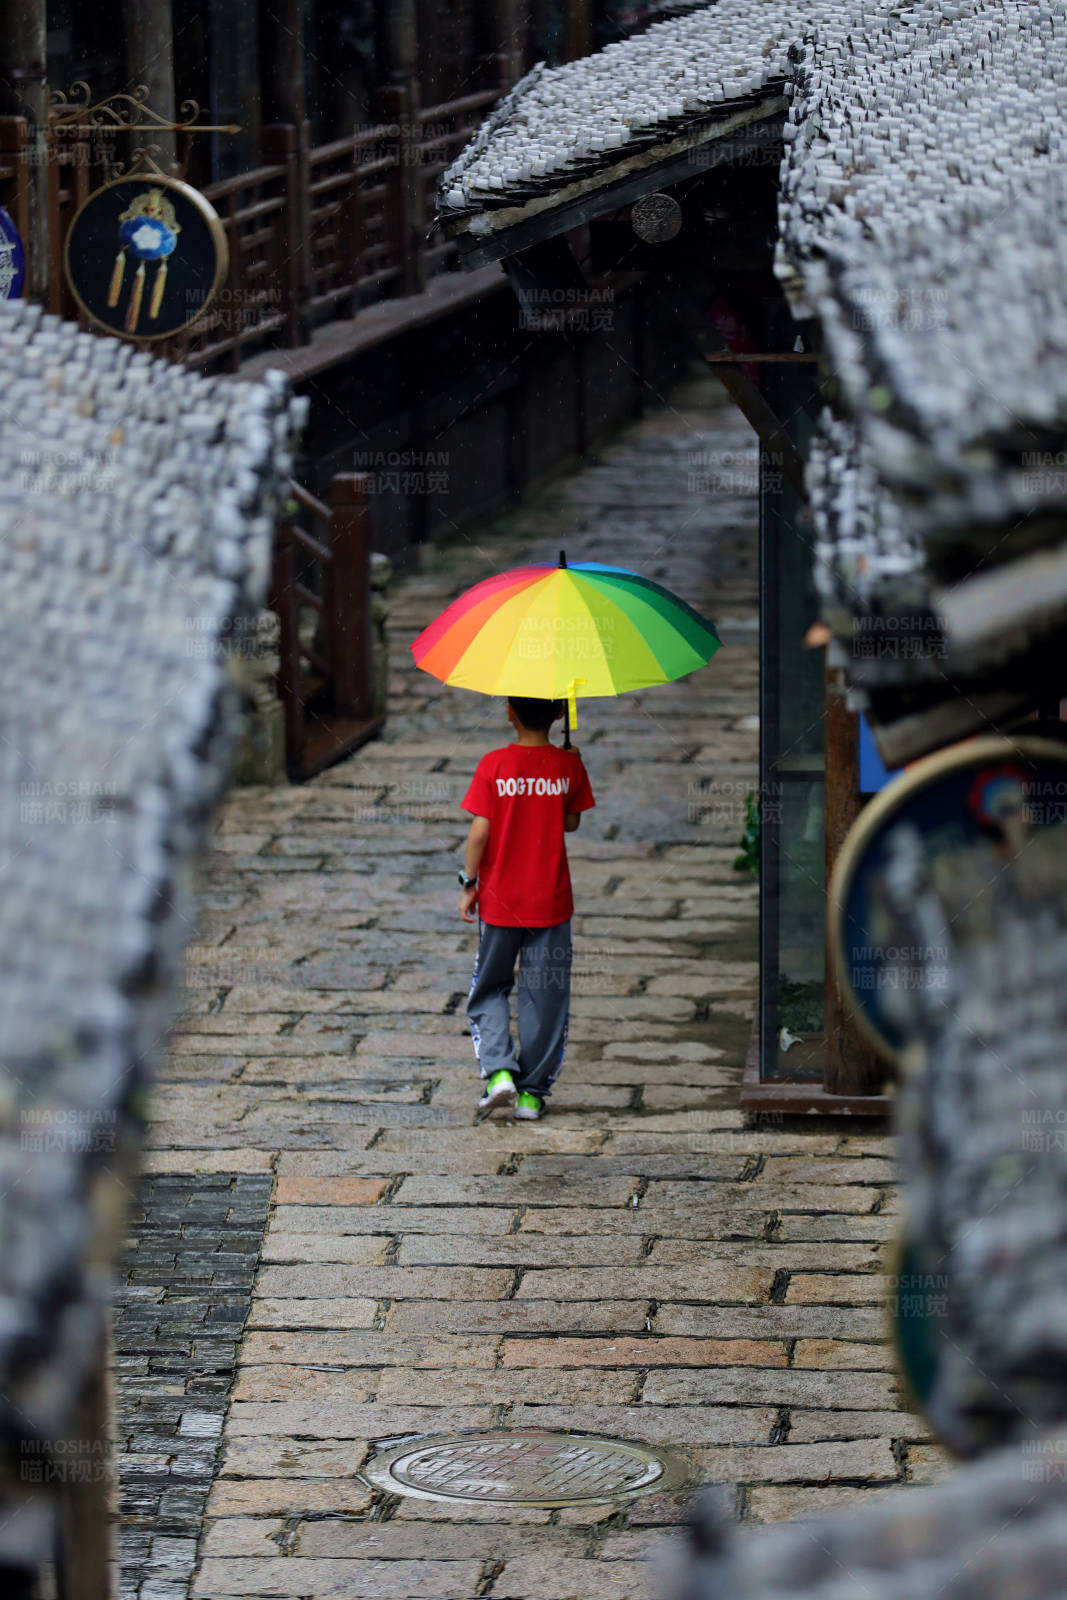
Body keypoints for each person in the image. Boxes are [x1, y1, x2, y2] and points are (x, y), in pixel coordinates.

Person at [458, 696, 595, 1120]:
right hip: (550, 902)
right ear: (559, 714)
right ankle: (532, 1094)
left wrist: (469, 882)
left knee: (492, 986)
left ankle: (499, 1072)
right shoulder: (568, 765)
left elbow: (480, 831)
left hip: (500, 903)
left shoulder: (493, 765)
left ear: (509, 712)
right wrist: (572, 764)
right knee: (545, 997)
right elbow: (570, 821)